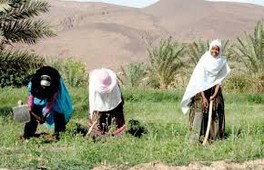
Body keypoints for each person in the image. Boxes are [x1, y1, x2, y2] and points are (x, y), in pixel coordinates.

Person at [181, 39, 230, 143]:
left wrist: (215, 95)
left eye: (217, 49)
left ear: (220, 50)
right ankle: (195, 139)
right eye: (213, 48)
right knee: (199, 111)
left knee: (215, 112)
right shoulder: (204, 60)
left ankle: (213, 138)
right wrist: (204, 97)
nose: (215, 51)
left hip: (214, 91)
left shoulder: (222, 62)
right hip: (201, 90)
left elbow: (219, 81)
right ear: (209, 48)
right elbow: (200, 79)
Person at [23, 66, 73, 140]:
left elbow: (52, 101)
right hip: (38, 88)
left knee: (58, 110)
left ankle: (59, 134)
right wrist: (30, 107)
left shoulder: (55, 86)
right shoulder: (34, 83)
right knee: (34, 108)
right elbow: (31, 95)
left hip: (55, 88)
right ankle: (28, 134)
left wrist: (44, 114)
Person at [88, 68, 126, 137]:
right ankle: (100, 134)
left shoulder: (114, 87)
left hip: (113, 103)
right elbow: (93, 101)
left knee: (116, 117)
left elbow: (118, 99)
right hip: (99, 105)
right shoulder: (93, 87)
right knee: (99, 120)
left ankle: (116, 134)